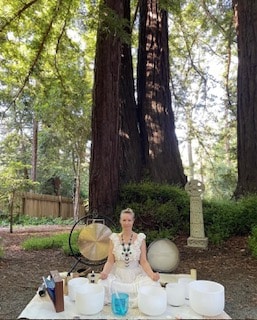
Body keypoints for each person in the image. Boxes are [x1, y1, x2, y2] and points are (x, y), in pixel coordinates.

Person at [98, 208, 160, 306]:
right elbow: (110, 261)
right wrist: (105, 273)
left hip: (135, 275)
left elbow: (143, 261)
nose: (126, 223)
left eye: (129, 220)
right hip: (118, 275)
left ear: (133, 221)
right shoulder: (114, 238)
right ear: (120, 221)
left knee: (154, 284)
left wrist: (152, 275)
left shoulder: (140, 238)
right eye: (124, 220)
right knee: (102, 283)